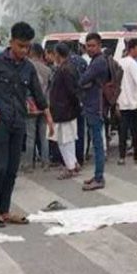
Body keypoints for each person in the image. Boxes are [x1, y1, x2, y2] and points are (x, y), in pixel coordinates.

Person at [0, 22, 54, 227]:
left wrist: (48, 116)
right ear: (11, 42)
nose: (24, 50)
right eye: (20, 46)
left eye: (27, 46)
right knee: (0, 166)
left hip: (19, 121)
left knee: (12, 169)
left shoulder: (28, 67)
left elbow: (38, 94)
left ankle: (5, 210)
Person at [79, 33, 109, 191]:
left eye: (93, 46)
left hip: (96, 107)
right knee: (96, 143)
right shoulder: (96, 60)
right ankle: (97, 175)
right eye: (88, 46)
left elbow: (82, 80)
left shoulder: (98, 62)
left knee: (97, 144)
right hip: (93, 105)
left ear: (99, 45)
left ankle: (99, 177)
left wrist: (86, 82)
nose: (90, 48)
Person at [48, 43, 81, 179]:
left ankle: (70, 166)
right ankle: (73, 162)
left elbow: (71, 91)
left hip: (63, 109)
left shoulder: (64, 70)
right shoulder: (68, 67)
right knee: (68, 139)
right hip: (66, 109)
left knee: (63, 140)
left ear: (57, 54)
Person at [26, 43, 52, 170]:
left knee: (30, 136)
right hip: (44, 105)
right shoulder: (47, 70)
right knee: (44, 136)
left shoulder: (27, 67)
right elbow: (50, 89)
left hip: (30, 106)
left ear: (31, 52)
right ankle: (45, 162)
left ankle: (29, 164)